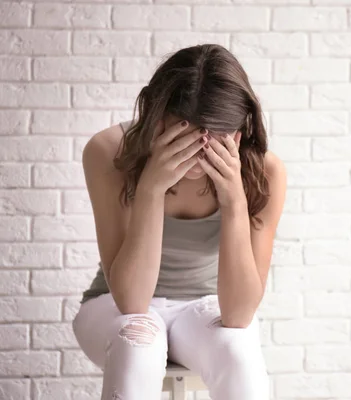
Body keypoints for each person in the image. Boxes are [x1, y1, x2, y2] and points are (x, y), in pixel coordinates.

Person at [71, 43, 287, 400]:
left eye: (214, 140)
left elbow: (238, 314)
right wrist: (151, 188)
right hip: (113, 304)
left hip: (205, 307)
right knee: (138, 341)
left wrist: (233, 199)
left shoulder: (264, 172)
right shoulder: (109, 151)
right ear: (157, 122)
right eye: (184, 135)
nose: (197, 154)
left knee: (239, 349)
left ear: (237, 134)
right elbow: (132, 302)